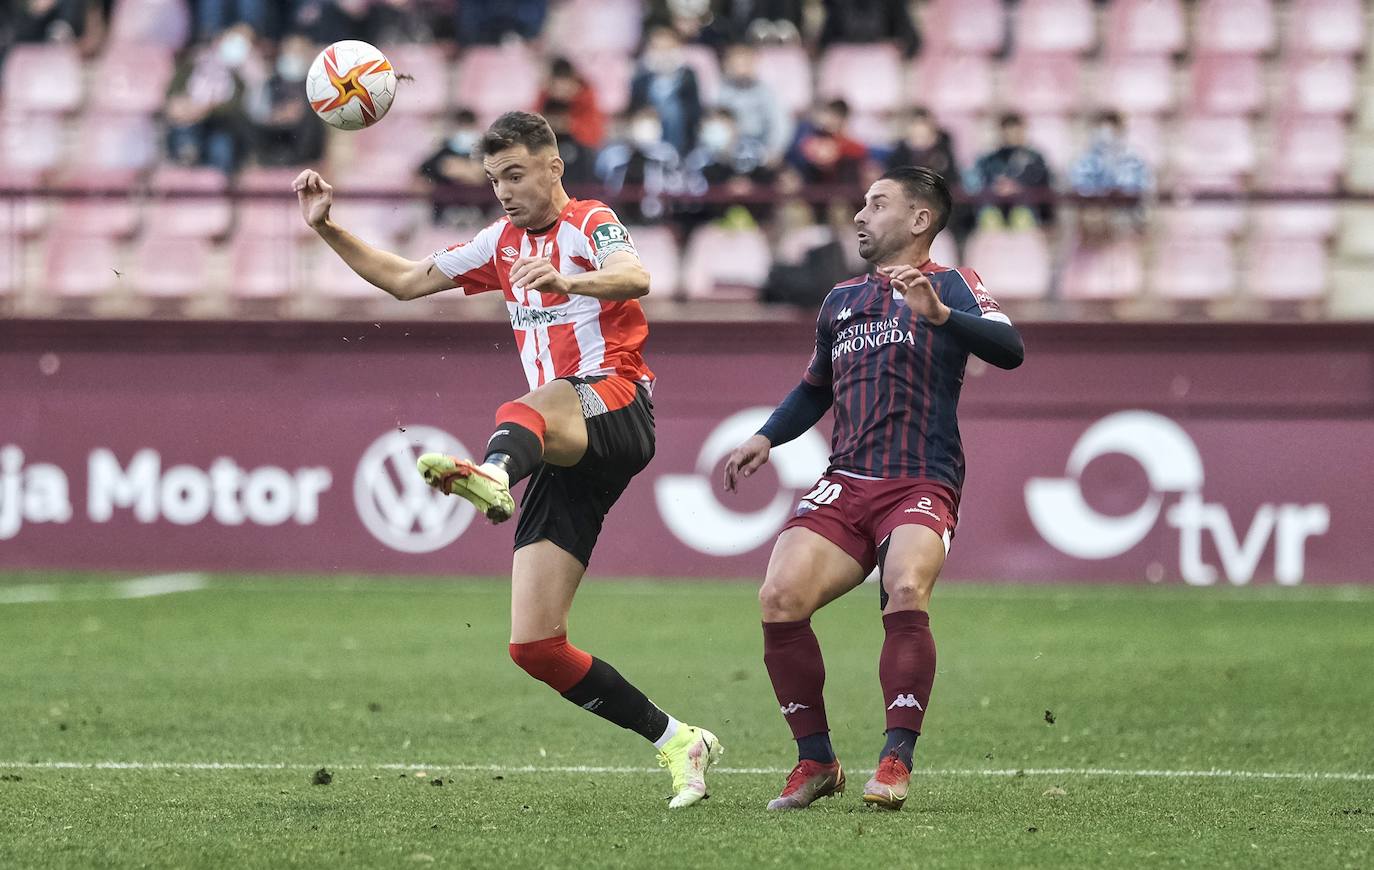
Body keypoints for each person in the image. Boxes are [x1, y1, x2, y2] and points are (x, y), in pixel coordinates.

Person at [293, 111, 722, 808]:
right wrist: (325, 227)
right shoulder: (498, 242)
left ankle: (492, 473)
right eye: (494, 178)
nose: (504, 190)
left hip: (616, 403)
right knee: (536, 646)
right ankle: (679, 740)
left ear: (554, 167)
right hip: (559, 444)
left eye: (516, 174)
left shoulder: (590, 221)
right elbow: (404, 281)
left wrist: (567, 283)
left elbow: (634, 275)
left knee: (523, 407)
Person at [722, 167, 1024, 811]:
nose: (860, 214)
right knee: (778, 597)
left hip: (922, 477)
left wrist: (942, 317)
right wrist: (767, 437)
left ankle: (895, 759)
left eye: (877, 204)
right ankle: (815, 760)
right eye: (861, 203)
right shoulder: (840, 299)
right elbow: (814, 388)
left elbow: (1010, 348)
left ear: (920, 220)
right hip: (846, 480)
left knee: (906, 587)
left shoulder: (954, 284)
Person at [247, 33, 326, 167]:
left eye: (298, 51)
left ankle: (299, 159)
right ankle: (267, 159)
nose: (293, 56)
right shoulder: (271, 82)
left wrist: (300, 111)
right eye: (290, 51)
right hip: (275, 133)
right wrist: (277, 115)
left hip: (304, 140)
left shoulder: (317, 83)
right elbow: (257, 112)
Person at [967, 112, 1054, 228]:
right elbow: (978, 184)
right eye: (1008, 132)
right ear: (1001, 133)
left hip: (1026, 209)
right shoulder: (989, 159)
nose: (1012, 136)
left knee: (1022, 217)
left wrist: (1019, 188)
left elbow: (1043, 187)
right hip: (995, 208)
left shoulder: (1035, 159)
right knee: (989, 217)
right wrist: (996, 188)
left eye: (1016, 132)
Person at [628, 25, 702, 155]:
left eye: (668, 48)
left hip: (683, 137)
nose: (663, 53)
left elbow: (695, 110)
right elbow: (634, 109)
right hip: (649, 136)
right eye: (658, 48)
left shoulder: (688, 76)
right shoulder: (641, 78)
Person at [716, 42, 791, 165]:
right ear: (727, 65)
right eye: (736, 64)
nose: (741, 69)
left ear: (754, 64)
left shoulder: (766, 92)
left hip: (761, 147)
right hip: (730, 149)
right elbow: (716, 124)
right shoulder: (721, 91)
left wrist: (775, 150)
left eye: (745, 63)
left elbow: (779, 123)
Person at [785, 99, 869, 186]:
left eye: (835, 116)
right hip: (814, 184)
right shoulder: (812, 136)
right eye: (829, 115)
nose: (830, 120)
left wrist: (836, 153)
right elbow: (804, 151)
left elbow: (860, 152)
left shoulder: (853, 146)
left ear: (843, 120)